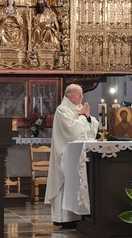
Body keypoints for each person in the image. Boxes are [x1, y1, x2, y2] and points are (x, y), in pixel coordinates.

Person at [45, 84, 99, 228]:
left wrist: (87, 118)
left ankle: (78, 215)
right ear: (69, 96)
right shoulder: (62, 110)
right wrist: (83, 117)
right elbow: (72, 131)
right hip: (65, 156)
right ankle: (63, 217)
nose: (82, 97)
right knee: (66, 183)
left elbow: (93, 126)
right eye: (79, 94)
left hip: (78, 155)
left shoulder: (78, 109)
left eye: (82, 94)